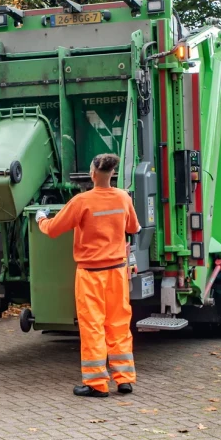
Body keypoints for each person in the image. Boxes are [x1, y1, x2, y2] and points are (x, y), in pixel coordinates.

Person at [36, 154, 141, 397]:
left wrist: (41, 217)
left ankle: (97, 384)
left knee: (93, 326)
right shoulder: (123, 198)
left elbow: (52, 230)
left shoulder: (81, 201)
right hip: (117, 272)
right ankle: (124, 379)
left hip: (91, 274)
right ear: (111, 174)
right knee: (118, 324)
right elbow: (133, 228)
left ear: (93, 174)